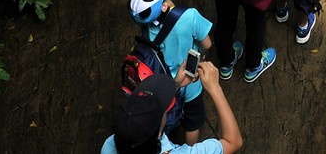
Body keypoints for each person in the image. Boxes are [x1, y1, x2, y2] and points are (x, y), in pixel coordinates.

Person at [128, 0, 213, 146]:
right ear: (164, 6)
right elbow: (207, 44)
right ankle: (189, 149)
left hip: (164, 86)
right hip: (190, 82)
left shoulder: (145, 28)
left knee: (168, 115)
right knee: (193, 121)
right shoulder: (189, 16)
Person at [99, 65, 243, 154]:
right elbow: (233, 142)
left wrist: (176, 85)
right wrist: (215, 89)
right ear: (159, 134)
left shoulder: (109, 145)